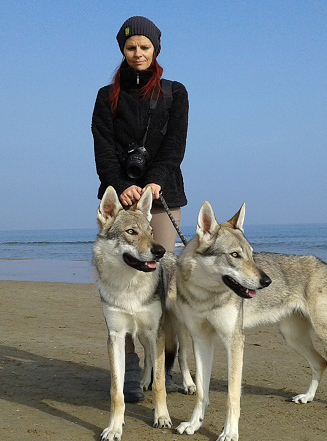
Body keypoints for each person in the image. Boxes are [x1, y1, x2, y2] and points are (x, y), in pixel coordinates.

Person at [91, 16, 189, 403]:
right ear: (123, 50)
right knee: (118, 290)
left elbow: (176, 144)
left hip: (163, 198)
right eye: (131, 47)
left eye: (144, 47)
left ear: (156, 49)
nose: (138, 53)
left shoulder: (174, 92)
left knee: (163, 288)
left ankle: (162, 364)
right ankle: (129, 366)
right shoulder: (105, 95)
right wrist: (122, 185)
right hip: (120, 198)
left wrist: (157, 179)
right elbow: (102, 145)